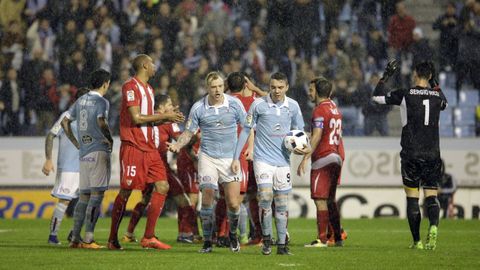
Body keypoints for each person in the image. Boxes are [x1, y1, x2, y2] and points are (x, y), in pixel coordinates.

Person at [107, 54, 184, 250]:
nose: (154, 66)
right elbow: (136, 118)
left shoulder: (149, 90)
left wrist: (168, 119)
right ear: (144, 65)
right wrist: (164, 114)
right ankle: (112, 238)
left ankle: (149, 237)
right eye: (152, 63)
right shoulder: (130, 87)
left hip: (149, 149)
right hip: (133, 146)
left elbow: (150, 121)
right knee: (126, 191)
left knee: (163, 186)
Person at [372, 60, 448, 250]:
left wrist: (384, 78)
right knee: (431, 195)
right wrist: (434, 81)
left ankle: (417, 241)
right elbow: (445, 102)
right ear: (430, 76)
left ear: (414, 74)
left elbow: (377, 98)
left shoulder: (406, 94)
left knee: (412, 198)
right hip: (432, 153)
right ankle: (434, 227)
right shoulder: (437, 96)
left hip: (411, 153)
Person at [169, 71, 247, 254]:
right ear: (208, 88)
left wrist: (241, 154)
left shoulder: (235, 104)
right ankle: (207, 242)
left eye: (220, 86)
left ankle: (233, 235)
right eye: (214, 87)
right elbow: (188, 132)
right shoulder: (198, 107)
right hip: (208, 157)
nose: (218, 90)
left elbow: (247, 128)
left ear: (224, 86)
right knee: (207, 199)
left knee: (234, 203)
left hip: (230, 158)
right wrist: (178, 145)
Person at [232, 72, 309, 256]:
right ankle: (266, 239)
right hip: (263, 160)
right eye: (273, 87)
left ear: (287, 87)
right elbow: (245, 131)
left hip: (283, 161)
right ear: (269, 87)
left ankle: (282, 246)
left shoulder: (293, 106)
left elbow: (300, 133)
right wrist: (236, 157)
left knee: (282, 203)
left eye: (280, 87)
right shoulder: (258, 105)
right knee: (265, 197)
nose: (276, 91)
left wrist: (304, 150)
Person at [121, 94, 199, 244]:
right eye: (169, 104)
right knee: (183, 200)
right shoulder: (168, 122)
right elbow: (181, 139)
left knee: (145, 200)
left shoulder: (148, 118)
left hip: (145, 165)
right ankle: (186, 234)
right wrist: (194, 133)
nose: (172, 107)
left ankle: (129, 233)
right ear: (162, 107)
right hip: (161, 167)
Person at [61, 69, 114, 249]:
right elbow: (101, 121)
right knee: (97, 196)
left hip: (83, 154)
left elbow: (64, 122)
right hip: (98, 150)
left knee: (83, 197)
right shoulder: (102, 101)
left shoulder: (80, 100)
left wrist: (76, 142)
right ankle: (88, 239)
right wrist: (110, 138)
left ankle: (75, 238)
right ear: (105, 83)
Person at [297, 77, 345, 248]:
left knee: (320, 200)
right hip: (336, 157)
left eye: (311, 90)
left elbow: (317, 135)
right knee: (330, 199)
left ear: (317, 91)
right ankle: (338, 237)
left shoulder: (319, 110)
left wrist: (305, 157)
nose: (309, 93)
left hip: (323, 158)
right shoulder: (334, 108)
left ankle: (322, 239)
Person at [42, 87, 90, 245]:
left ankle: (74, 234)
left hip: (83, 166)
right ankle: (53, 236)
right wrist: (48, 159)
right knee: (64, 201)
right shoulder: (67, 116)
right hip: (69, 167)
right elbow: (51, 135)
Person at [227, 72, 267, 245]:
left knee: (254, 196)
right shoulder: (253, 101)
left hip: (248, 154)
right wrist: (256, 89)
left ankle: (258, 234)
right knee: (255, 195)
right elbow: (278, 99)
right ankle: (260, 234)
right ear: (245, 85)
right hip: (252, 153)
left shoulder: (230, 101)